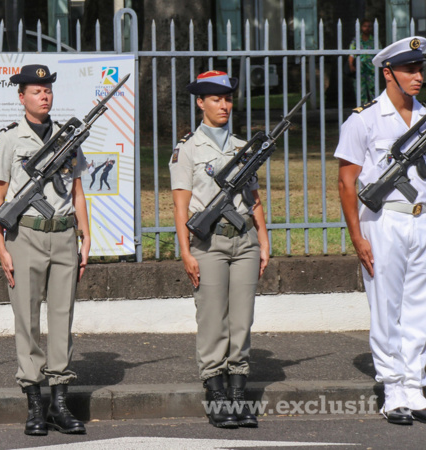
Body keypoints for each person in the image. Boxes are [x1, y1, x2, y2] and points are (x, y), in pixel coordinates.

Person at [0, 64, 91, 436]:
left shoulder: (67, 138)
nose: (44, 95)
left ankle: (60, 404)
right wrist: (1, 245)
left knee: (62, 319)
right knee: (27, 322)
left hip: (64, 235)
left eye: (47, 89)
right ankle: (35, 404)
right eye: (36, 91)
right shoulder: (11, 139)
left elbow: (77, 190)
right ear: (22, 97)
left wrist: (86, 236)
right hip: (27, 236)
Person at [169, 70, 269, 429]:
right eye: (216, 99)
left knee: (241, 319)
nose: (224, 105)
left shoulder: (242, 146)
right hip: (207, 243)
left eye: (227, 99)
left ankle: (239, 394)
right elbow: (180, 205)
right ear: (200, 102)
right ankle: (216, 393)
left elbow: (253, 197)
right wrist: (185, 251)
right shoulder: (188, 149)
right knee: (212, 318)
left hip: (243, 240)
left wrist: (264, 238)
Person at [335, 36, 426, 426]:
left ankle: (414, 384)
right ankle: (393, 390)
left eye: (421, 69)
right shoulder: (364, 119)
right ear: (388, 73)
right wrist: (357, 236)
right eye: (410, 69)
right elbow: (346, 182)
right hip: (384, 219)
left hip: (421, 217)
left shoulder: (425, 116)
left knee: (419, 306)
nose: (418, 76)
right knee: (386, 306)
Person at [349, 19, 377, 105]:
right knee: (360, 91)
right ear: (361, 27)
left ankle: (375, 108)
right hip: (359, 70)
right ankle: (362, 108)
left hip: (372, 70)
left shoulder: (374, 40)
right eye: (365, 26)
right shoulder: (356, 40)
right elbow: (351, 54)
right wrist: (351, 65)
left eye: (369, 26)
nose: (367, 28)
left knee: (373, 91)